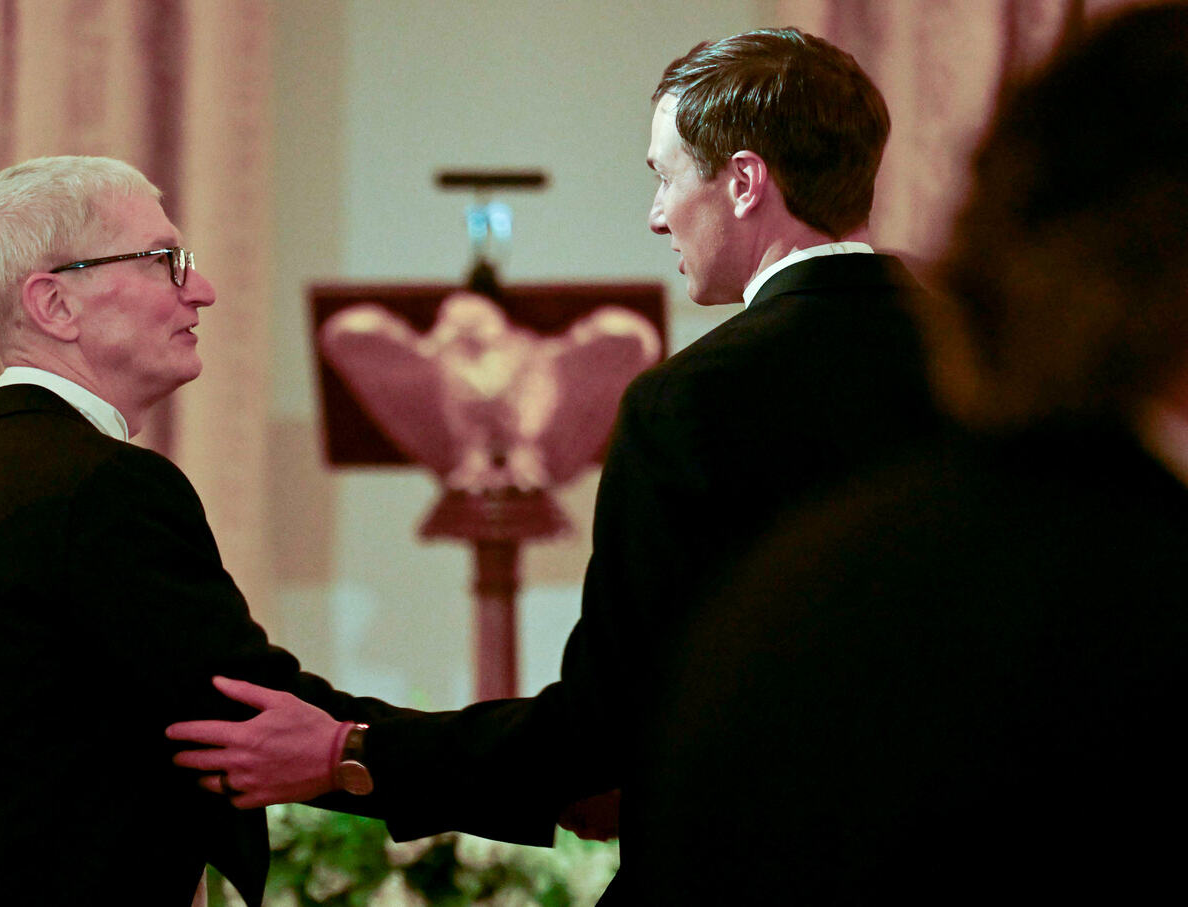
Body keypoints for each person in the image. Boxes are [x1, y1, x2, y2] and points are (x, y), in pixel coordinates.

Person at [167, 28, 943, 901]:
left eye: (664, 176)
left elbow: (604, 728)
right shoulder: (990, 372)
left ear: (743, 181)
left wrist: (349, 752)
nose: (656, 215)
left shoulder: (694, 399)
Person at [636, 3, 1188, 901]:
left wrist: (387, 755)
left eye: (663, 178)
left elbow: (633, 731)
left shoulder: (803, 564)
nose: (657, 216)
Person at [0, 157, 457, 906]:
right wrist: (536, 765)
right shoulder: (104, 487)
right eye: (164, 261)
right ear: (55, 304)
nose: (201, 289)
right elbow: (252, 718)